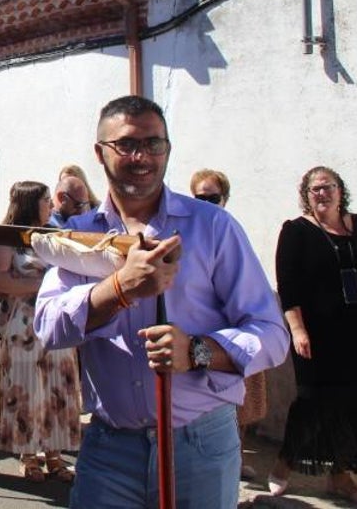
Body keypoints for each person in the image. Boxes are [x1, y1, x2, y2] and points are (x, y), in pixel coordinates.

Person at [36, 95, 289, 509]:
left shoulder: (214, 228)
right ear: (100, 153)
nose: (142, 156)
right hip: (108, 450)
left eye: (154, 144)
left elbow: (271, 334)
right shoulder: (78, 236)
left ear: (168, 149)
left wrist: (198, 351)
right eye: (126, 144)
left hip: (200, 446)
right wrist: (119, 289)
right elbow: (48, 327)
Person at [267, 166, 357, 505]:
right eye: (315, 188)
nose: (322, 193)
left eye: (328, 186)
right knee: (312, 402)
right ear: (306, 194)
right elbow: (290, 287)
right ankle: (284, 465)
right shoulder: (296, 231)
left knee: (356, 404)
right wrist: (297, 329)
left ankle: (341, 476)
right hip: (319, 332)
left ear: (339, 190)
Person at [0, 181, 81, 482]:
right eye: (45, 199)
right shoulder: (7, 237)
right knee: (26, 389)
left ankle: (55, 455)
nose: (50, 205)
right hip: (24, 326)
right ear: (30, 202)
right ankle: (28, 455)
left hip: (56, 325)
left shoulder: (51, 233)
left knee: (57, 388)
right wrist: (41, 287)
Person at [189, 168, 267, 481]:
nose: (207, 202)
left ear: (225, 199)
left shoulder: (232, 230)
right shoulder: (188, 232)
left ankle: (235, 455)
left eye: (213, 197)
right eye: (200, 197)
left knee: (243, 402)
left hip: (235, 329)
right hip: (205, 334)